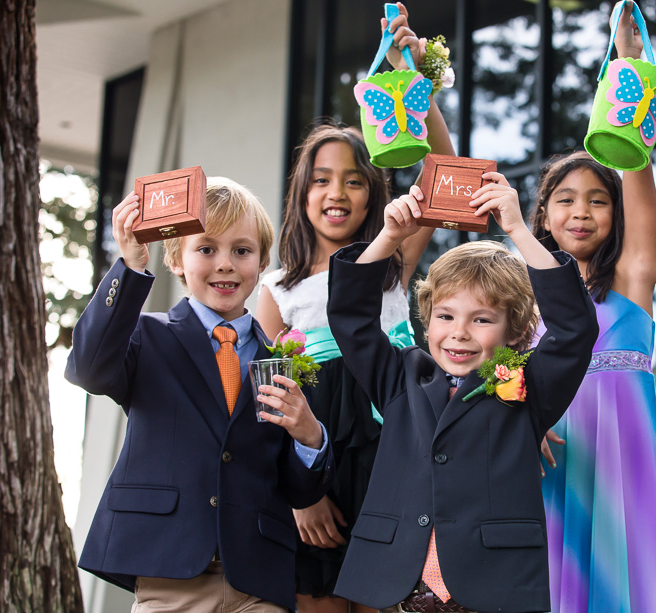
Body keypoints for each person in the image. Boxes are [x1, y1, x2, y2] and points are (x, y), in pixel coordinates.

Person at [255, 6, 455, 612]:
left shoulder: (389, 259)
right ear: (300, 192)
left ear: (374, 193)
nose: (337, 193)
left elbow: (446, 174)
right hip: (319, 462)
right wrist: (300, 495)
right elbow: (267, 403)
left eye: (354, 180)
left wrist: (412, 74)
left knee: (387, 596)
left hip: (393, 447)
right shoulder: (275, 289)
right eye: (321, 180)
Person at [326, 175, 598, 613]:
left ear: (517, 332)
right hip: (400, 588)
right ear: (427, 319)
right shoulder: (400, 377)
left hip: (494, 588)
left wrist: (518, 230)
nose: (458, 334)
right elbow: (350, 316)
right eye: (446, 315)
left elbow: (575, 330)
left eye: (481, 320)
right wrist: (389, 236)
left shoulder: (530, 387)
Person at [65, 178, 334, 611]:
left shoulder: (283, 361)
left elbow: (298, 492)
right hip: (167, 570)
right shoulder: (145, 336)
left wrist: (309, 439)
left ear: (263, 261)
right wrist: (130, 266)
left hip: (257, 578)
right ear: (176, 258)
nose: (225, 264)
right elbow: (88, 369)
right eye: (206, 249)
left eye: (242, 251)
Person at [528, 6, 656, 610]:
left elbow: (637, 175)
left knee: (626, 585)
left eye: (598, 200)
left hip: (626, 453)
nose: (582, 211)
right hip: (557, 451)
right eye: (565, 199)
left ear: (616, 215)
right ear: (543, 215)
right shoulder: (528, 294)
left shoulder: (632, 278)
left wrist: (631, 71)